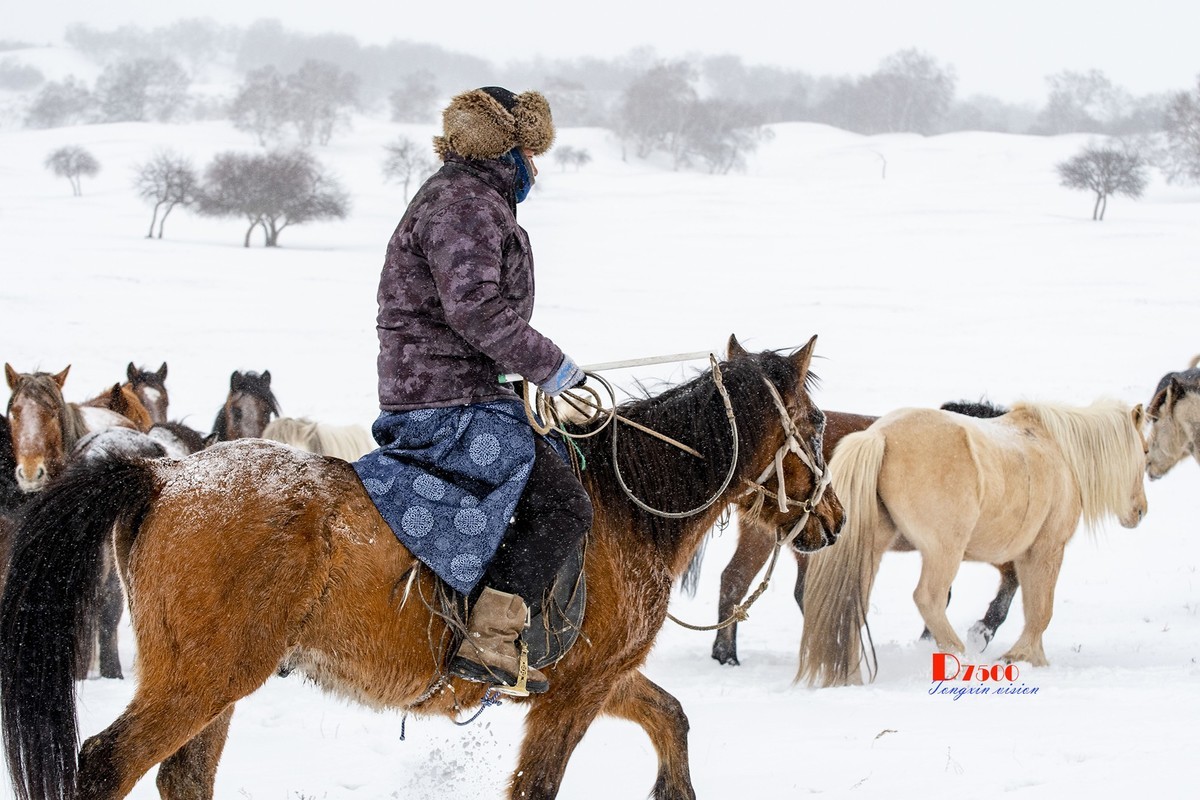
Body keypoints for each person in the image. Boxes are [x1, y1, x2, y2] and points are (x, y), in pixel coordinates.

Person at [354, 86, 593, 696]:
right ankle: (490, 642)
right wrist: (556, 370)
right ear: (508, 149)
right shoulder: (466, 203)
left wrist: (517, 376)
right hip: (447, 402)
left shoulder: (468, 197)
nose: (536, 169)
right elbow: (477, 311)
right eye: (531, 154)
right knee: (565, 504)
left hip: (457, 388)